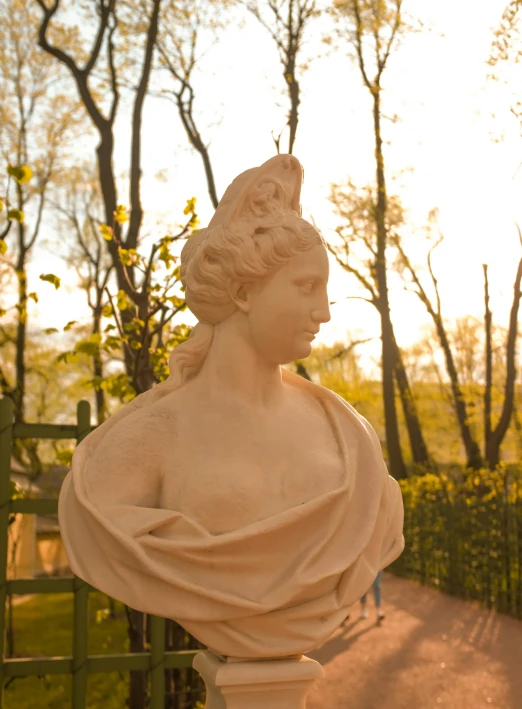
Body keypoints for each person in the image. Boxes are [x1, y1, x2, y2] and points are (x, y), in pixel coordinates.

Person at [58, 154, 404, 659]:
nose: (325, 312)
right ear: (243, 292)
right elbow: (109, 524)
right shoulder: (150, 436)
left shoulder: (347, 435)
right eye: (307, 286)